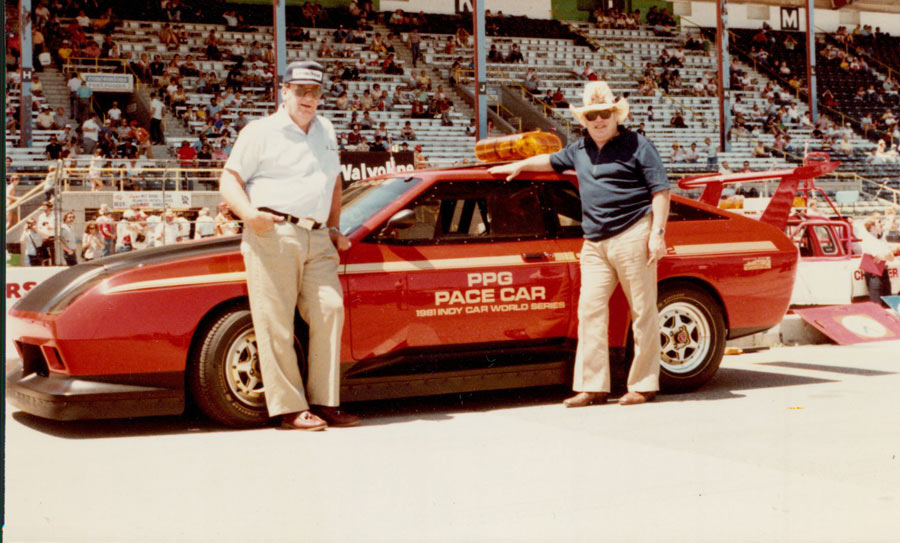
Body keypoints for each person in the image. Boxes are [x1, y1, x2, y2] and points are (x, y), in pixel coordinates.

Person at [488, 80, 670, 407]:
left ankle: (643, 386)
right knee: (590, 312)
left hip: (633, 234)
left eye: (603, 114)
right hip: (594, 242)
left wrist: (657, 234)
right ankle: (592, 386)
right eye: (591, 116)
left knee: (643, 312)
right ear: (583, 120)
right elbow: (551, 160)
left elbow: (660, 191)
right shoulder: (579, 148)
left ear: (615, 115)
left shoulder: (638, 144)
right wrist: (519, 165)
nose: (598, 121)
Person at [219, 60, 358, 431]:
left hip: (317, 236)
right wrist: (249, 215)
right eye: (300, 90)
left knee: (330, 310)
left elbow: (334, 182)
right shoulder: (260, 131)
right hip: (274, 230)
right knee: (275, 320)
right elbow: (229, 178)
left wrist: (334, 226)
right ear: (284, 92)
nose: (308, 98)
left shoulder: (326, 128)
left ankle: (325, 401)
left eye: (314, 92)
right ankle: (289, 409)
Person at [859, 216, 898, 306]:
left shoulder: (879, 240)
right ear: (872, 227)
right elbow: (883, 255)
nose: (881, 225)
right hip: (874, 275)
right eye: (879, 223)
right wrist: (887, 255)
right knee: (877, 305)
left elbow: (891, 257)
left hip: (883, 272)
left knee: (889, 303)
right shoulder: (869, 240)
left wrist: (885, 256)